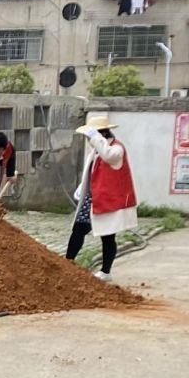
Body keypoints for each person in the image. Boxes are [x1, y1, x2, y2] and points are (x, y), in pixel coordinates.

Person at [66, 112, 137, 282]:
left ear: (101, 134)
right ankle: (67, 262)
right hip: (93, 199)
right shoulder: (97, 150)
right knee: (78, 229)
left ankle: (106, 271)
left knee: (108, 235)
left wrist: (95, 138)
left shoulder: (116, 149)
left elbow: (108, 156)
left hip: (108, 202)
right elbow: (92, 171)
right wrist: (82, 188)